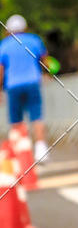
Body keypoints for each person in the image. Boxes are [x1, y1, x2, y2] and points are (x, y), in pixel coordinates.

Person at [0, 14, 50, 163]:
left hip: (13, 85)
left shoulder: (4, 45)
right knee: (37, 116)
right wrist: (46, 74)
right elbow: (45, 61)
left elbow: (1, 70)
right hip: (32, 82)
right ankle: (41, 151)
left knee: (16, 121)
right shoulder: (34, 40)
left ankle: (19, 153)